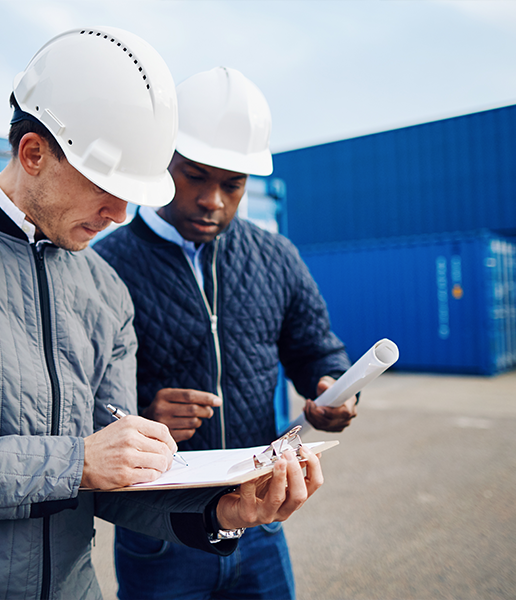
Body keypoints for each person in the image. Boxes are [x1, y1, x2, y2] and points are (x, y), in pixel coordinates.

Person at [0, 32, 323, 600]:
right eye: (106, 188)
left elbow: (113, 478)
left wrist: (220, 511)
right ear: (34, 153)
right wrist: (73, 461)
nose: (118, 215)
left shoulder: (105, 289)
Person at [96, 66, 356, 600]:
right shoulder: (105, 265)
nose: (213, 199)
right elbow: (78, 396)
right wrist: (144, 414)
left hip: (261, 519)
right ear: (162, 160)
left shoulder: (275, 257)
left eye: (232, 184)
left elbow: (316, 351)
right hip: (160, 529)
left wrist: (332, 389)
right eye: (195, 176)